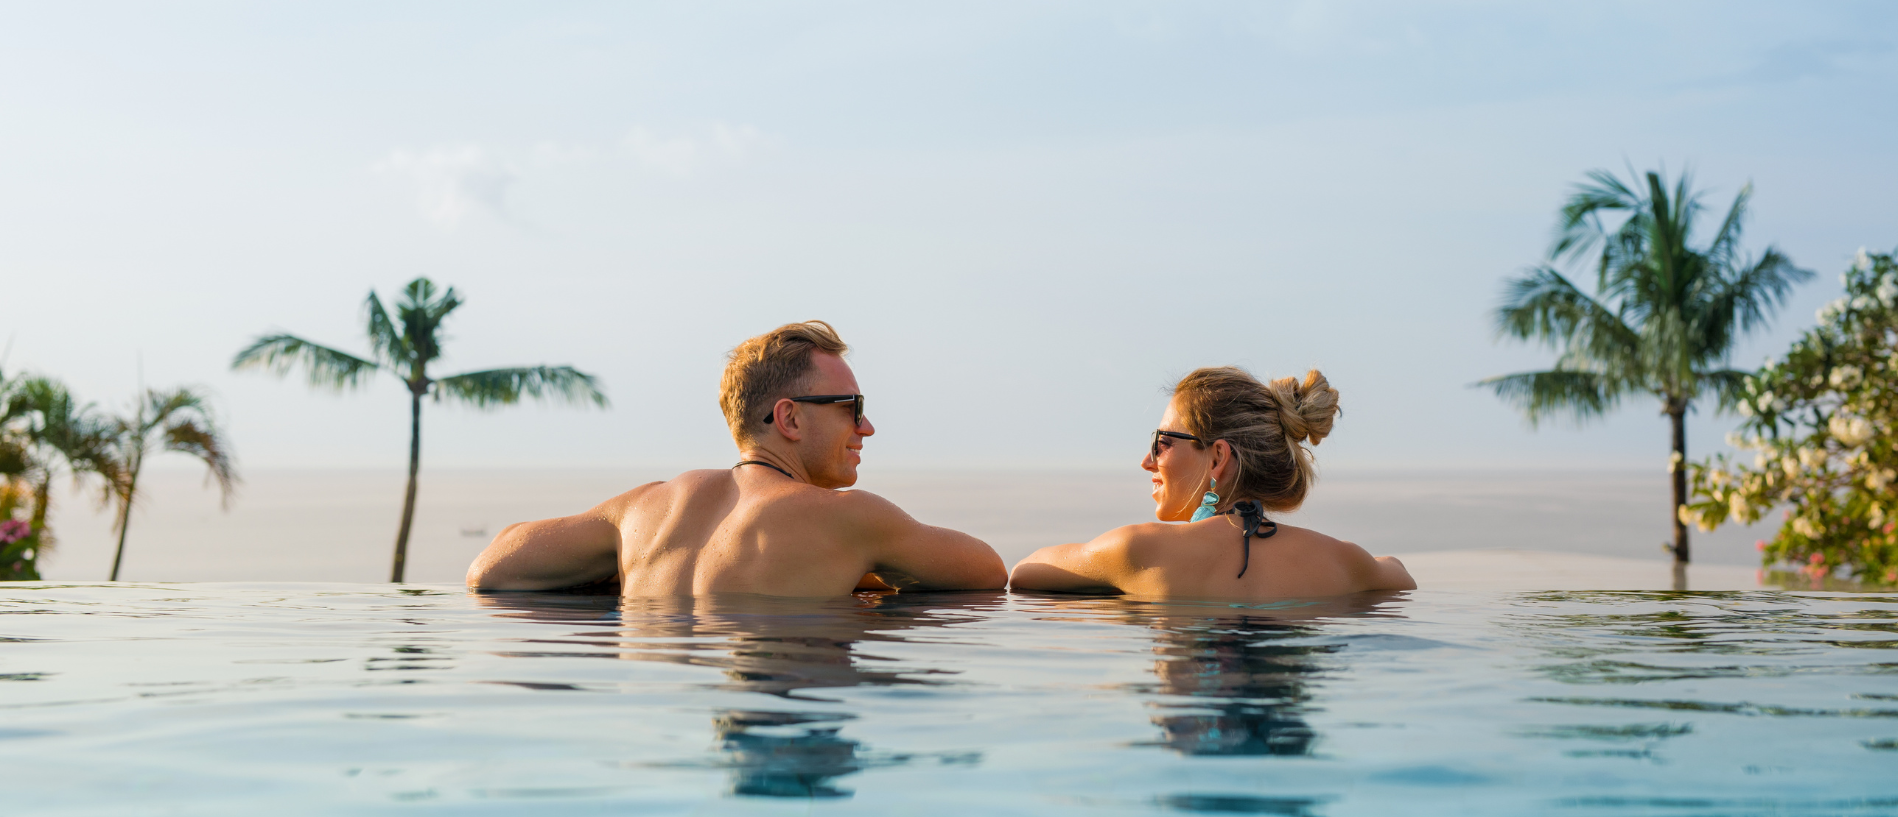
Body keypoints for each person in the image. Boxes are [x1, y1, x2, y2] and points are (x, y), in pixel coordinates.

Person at [467, 321, 1007, 597]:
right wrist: (863, 569)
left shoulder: (642, 510)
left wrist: (621, 568)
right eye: (850, 407)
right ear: (790, 418)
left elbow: (489, 571)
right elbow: (990, 572)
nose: (865, 426)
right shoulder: (848, 518)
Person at [1009, 367, 1414, 599]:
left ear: (1218, 456)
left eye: (1162, 442)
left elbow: (1024, 573)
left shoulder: (1138, 552)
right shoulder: (1344, 563)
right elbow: (1399, 575)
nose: (1147, 460)